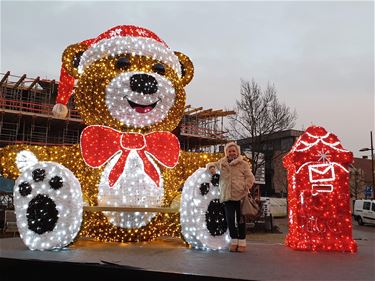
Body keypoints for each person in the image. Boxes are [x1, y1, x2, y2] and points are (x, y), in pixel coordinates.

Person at [207, 142, 255, 252]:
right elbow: (211, 164)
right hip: (227, 196)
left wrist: (245, 187)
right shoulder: (222, 162)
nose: (231, 153)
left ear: (237, 152)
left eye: (234, 151)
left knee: (240, 220)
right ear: (226, 153)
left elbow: (250, 177)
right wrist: (211, 168)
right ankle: (234, 241)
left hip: (241, 196)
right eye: (229, 151)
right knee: (229, 220)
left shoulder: (243, 164)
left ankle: (242, 242)